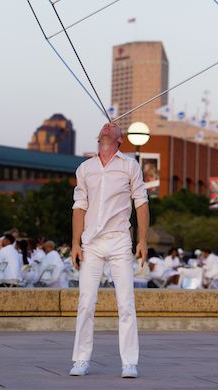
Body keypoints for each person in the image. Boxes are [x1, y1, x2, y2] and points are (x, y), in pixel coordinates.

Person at [70, 122, 149, 379]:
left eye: (113, 127)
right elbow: (79, 206)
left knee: (125, 304)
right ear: (99, 137)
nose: (108, 126)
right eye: (105, 126)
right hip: (91, 243)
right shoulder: (85, 168)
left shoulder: (129, 166)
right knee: (85, 303)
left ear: (119, 140)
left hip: (119, 241)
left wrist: (142, 240)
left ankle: (129, 362)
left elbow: (141, 203)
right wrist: (75, 244)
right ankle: (81, 359)